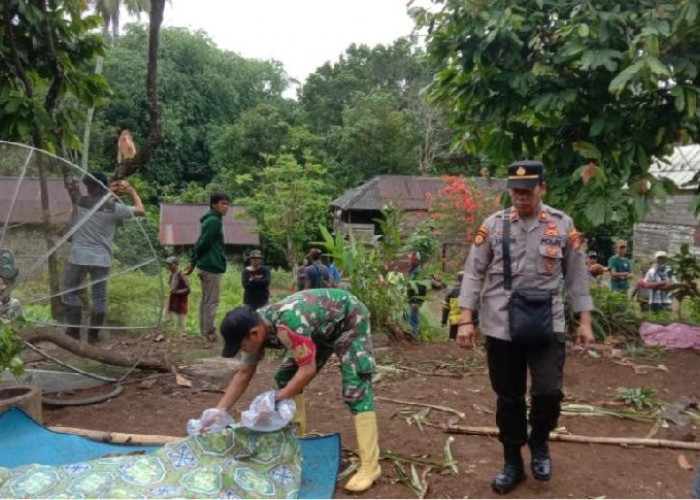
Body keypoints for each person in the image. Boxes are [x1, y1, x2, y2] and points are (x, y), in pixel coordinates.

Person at [457, 160, 594, 494]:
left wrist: (585, 320)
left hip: (547, 324)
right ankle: (512, 461)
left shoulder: (562, 225)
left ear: (542, 188)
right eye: (515, 191)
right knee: (509, 398)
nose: (520, 198)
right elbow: (474, 272)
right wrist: (464, 319)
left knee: (549, 393)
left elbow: (576, 274)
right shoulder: (494, 225)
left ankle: (539, 440)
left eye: (527, 191)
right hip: (502, 324)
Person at [212, 288, 380, 493]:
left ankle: (371, 466)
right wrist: (218, 412)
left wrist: (277, 399)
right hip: (318, 330)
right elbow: (244, 373)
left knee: (356, 388)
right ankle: (297, 444)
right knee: (286, 378)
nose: (242, 351)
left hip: (348, 320)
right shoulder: (255, 329)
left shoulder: (287, 325)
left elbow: (307, 370)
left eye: (242, 347)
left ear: (254, 333)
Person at [62, 173, 144, 344]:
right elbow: (140, 210)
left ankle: (73, 332)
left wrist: (110, 192)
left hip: (78, 256)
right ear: (104, 187)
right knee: (99, 297)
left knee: (70, 293)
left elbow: (94, 204)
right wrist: (131, 192)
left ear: (89, 188)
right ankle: (93, 336)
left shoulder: (81, 202)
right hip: (101, 259)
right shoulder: (114, 209)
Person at [184, 193, 230, 343]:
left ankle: (204, 331)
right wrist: (193, 261)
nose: (226, 207)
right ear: (213, 205)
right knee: (211, 301)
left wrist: (193, 262)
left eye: (227, 204)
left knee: (205, 300)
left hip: (206, 265)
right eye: (223, 203)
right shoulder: (214, 222)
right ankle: (208, 332)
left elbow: (200, 242)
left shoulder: (211, 220)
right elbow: (203, 243)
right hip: (211, 266)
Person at [165, 256, 189, 335]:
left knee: (181, 320)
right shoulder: (172, 275)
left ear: (176, 264)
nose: (169, 266)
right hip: (173, 301)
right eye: (168, 264)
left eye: (170, 264)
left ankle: (182, 333)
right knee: (172, 319)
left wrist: (176, 292)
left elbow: (187, 289)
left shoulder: (181, 274)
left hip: (181, 301)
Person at [406, 251, 426, 340]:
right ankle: (413, 336)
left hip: (414, 300)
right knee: (411, 317)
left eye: (411, 258)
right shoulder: (413, 270)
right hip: (411, 299)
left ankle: (415, 337)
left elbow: (421, 287)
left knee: (414, 318)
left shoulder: (418, 272)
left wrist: (417, 301)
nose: (409, 260)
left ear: (416, 260)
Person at [441, 271, 463, 342]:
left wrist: (444, 321)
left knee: (452, 339)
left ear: (457, 278)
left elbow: (446, 307)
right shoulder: (470, 291)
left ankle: (452, 339)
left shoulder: (451, 291)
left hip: (454, 320)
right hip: (466, 320)